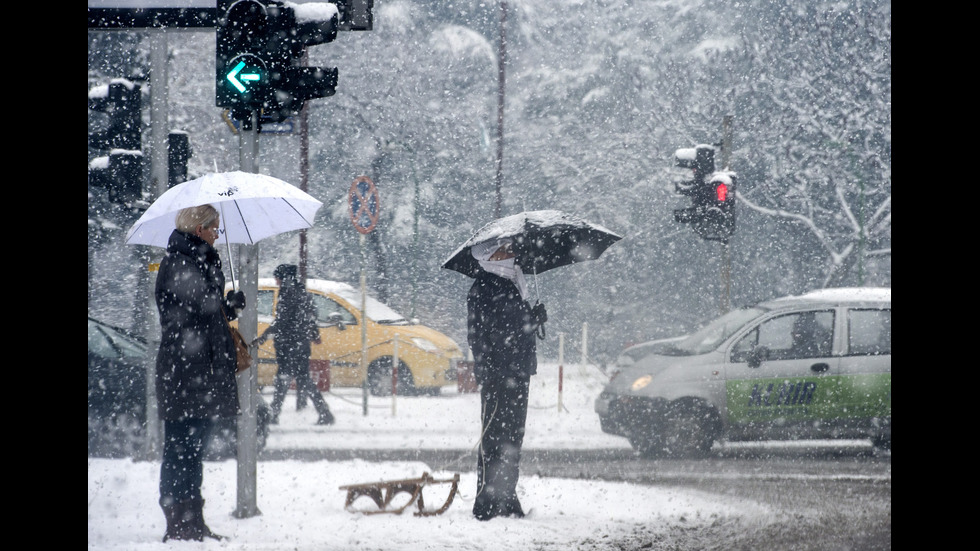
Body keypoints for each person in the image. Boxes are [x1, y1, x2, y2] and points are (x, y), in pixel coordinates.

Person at [154, 204, 245, 542]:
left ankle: (192, 520)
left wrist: (228, 306)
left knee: (192, 450)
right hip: (183, 374)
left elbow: (208, 309)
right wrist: (222, 301)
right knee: (180, 449)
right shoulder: (179, 262)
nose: (218, 234)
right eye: (214, 228)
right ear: (198, 229)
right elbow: (201, 305)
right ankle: (178, 522)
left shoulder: (197, 261)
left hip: (197, 373)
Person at [466, 239, 545, 521]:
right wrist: (488, 371)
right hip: (499, 375)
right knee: (494, 438)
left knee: (513, 438)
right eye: (505, 249)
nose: (512, 252)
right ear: (490, 255)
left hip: (518, 371)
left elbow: (515, 327)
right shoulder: (484, 287)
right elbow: (479, 336)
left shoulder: (514, 282)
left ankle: (507, 497)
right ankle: (486, 501)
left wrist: (534, 320)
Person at [254, 264, 335, 426]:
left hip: (288, 345)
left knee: (283, 379)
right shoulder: (302, 293)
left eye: (277, 278)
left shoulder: (287, 294)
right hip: (301, 344)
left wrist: (262, 338)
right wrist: (314, 334)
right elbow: (311, 317)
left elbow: (281, 322)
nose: (276, 281)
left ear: (284, 278)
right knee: (303, 379)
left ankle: (274, 414)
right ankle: (324, 412)